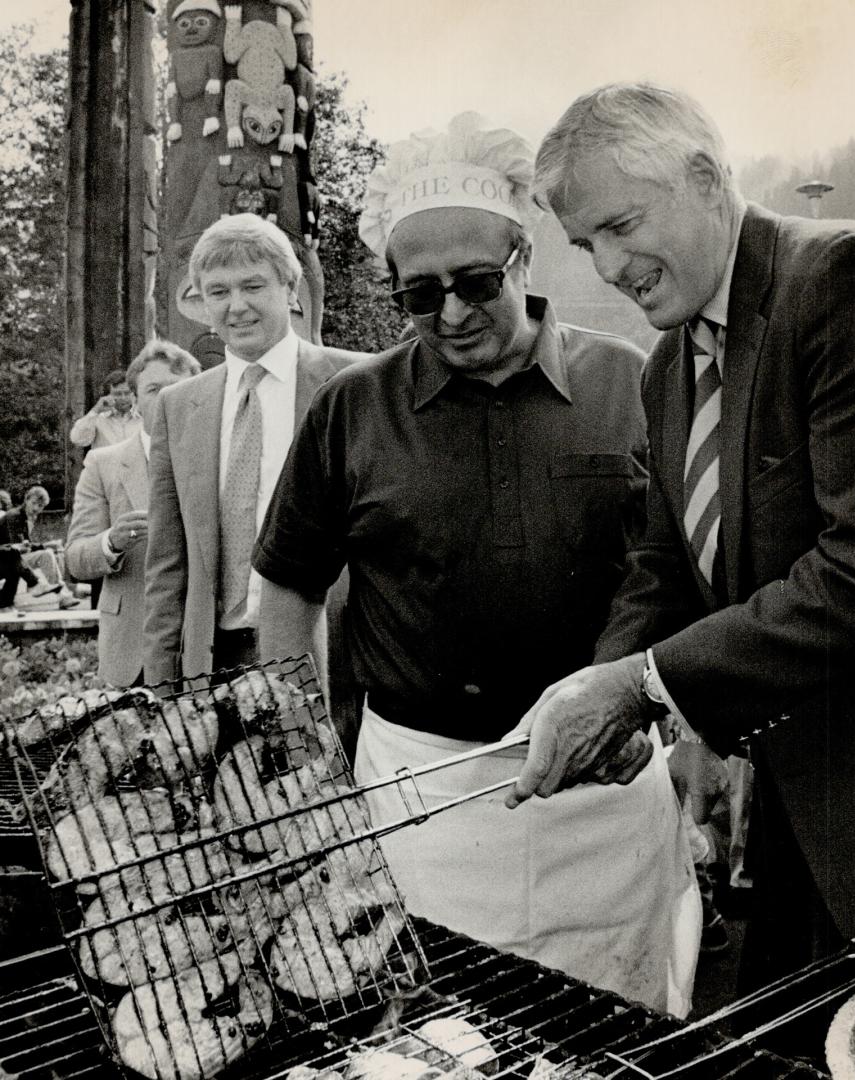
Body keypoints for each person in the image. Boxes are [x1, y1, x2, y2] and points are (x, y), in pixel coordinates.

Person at [506, 83, 855, 987]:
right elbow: (664, 565)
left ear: (705, 178)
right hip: (802, 823)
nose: (606, 266)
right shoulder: (667, 365)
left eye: (620, 225)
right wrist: (597, 685)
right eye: (582, 245)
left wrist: (641, 687)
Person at [254, 112, 701, 1017]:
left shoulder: (638, 382)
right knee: (434, 1038)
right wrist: (303, 765)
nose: (451, 314)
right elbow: (288, 584)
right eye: (420, 295)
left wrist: (678, 724)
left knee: (619, 1031)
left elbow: (688, 565)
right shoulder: (353, 407)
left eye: (475, 283)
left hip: (606, 795)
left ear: (525, 258)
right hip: (425, 794)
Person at [142, 213, 367, 683]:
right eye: (218, 292)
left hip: (328, 657)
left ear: (290, 289)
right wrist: (164, 682)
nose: (236, 306)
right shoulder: (177, 406)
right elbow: (167, 563)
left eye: (253, 286)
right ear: (202, 303)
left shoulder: (355, 384)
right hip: (216, 663)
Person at [66, 340, 200, 685]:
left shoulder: (216, 461)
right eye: (154, 389)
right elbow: (76, 559)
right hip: (133, 651)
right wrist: (111, 542)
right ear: (136, 400)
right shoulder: (102, 463)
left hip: (206, 647)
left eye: (180, 388)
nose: (168, 398)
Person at [0, 486, 79, 611]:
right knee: (46, 555)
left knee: (48, 553)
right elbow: (16, 547)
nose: (36, 508)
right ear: (26, 499)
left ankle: (61, 594)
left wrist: (46, 545)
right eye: (34, 503)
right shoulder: (14, 516)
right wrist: (43, 546)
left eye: (41, 506)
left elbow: (25, 545)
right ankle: (61, 594)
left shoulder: (25, 517)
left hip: (11, 557)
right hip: (6, 559)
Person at [69, 369, 141, 451]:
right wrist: (95, 410)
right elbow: (77, 439)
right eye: (117, 394)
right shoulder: (98, 418)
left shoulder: (143, 418)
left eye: (127, 393)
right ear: (108, 395)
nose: (123, 398)